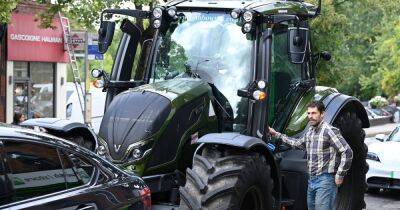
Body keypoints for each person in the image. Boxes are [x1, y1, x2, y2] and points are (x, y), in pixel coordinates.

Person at [268, 101, 353, 210]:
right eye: (308, 113)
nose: (310, 116)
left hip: (325, 180)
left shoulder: (329, 131)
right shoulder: (310, 132)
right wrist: (276, 134)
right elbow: (297, 144)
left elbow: (347, 151)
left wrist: (340, 175)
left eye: (314, 113)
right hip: (312, 180)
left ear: (322, 114)